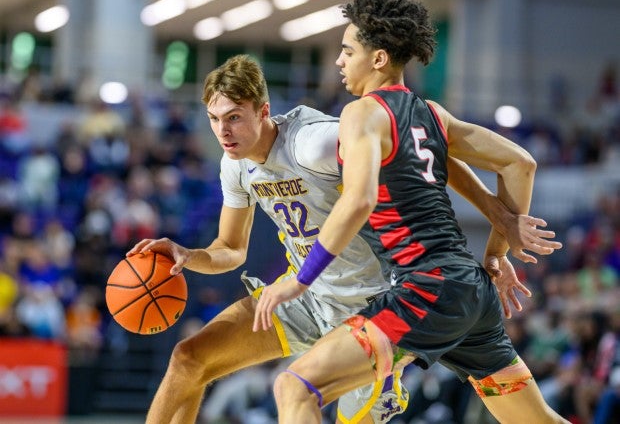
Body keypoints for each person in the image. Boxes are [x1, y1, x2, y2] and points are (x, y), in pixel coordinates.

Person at [129, 55, 560, 424]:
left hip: (375, 301)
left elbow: (415, 147)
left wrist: (500, 216)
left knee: (307, 398)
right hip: (307, 296)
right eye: (214, 119)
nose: (223, 131)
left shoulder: (314, 142)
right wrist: (188, 255)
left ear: (263, 111)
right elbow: (230, 250)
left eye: (234, 117)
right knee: (188, 359)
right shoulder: (235, 165)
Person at [253, 0, 570, 424]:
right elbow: (520, 165)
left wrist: (299, 280)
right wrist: (495, 257)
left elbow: (359, 200)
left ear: (378, 59)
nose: (340, 61)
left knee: (295, 386)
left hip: (426, 289)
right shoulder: (433, 114)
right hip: (471, 293)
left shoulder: (362, 112)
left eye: (347, 51)